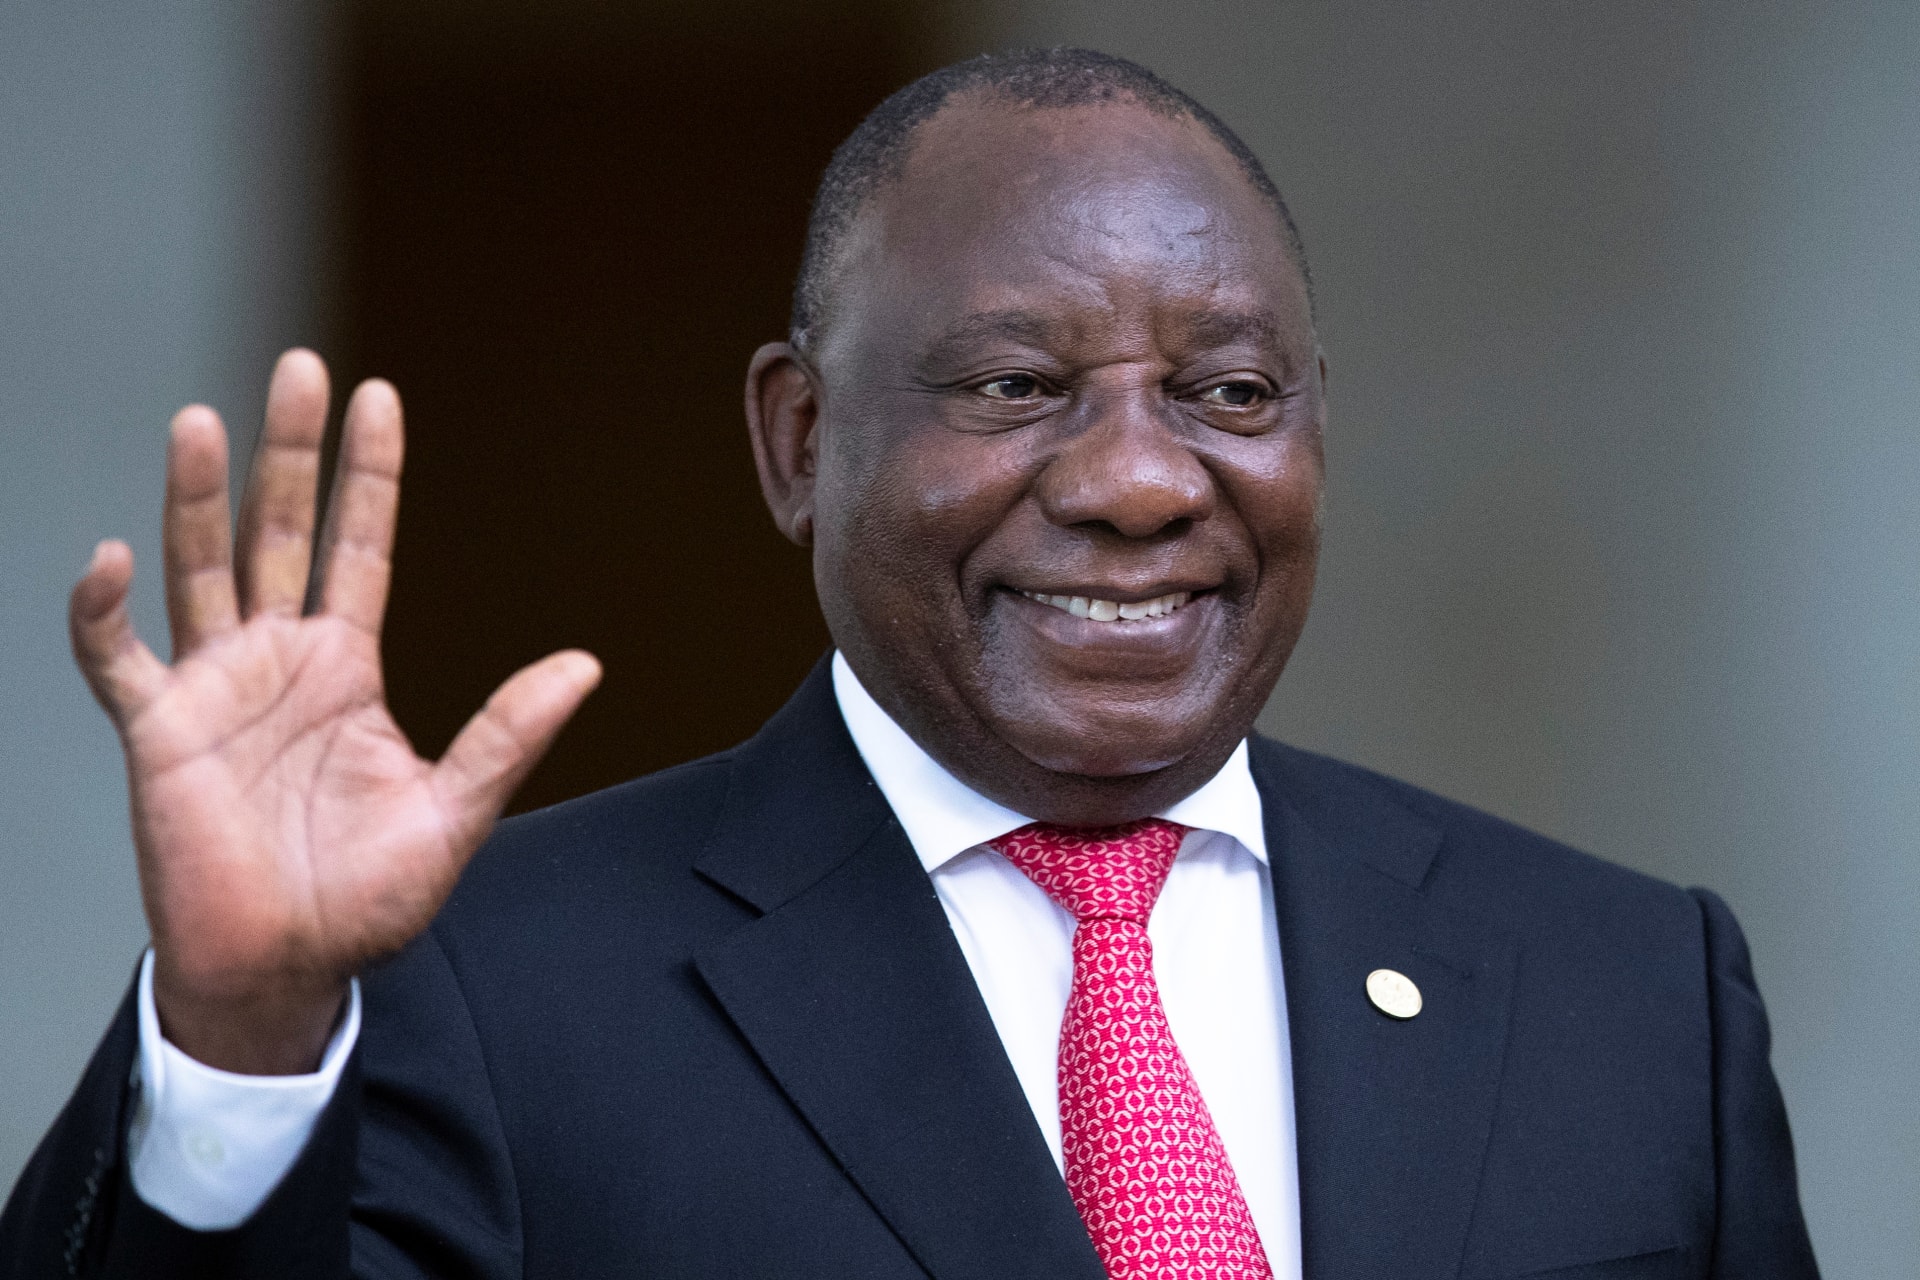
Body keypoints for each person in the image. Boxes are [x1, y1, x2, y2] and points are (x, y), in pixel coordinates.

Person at [1, 49, 1816, 1280]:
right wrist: (238, 1042)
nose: (1134, 482)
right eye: (1015, 386)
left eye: (1229, 393)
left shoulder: (1634, 993)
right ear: (799, 443)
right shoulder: (478, 994)